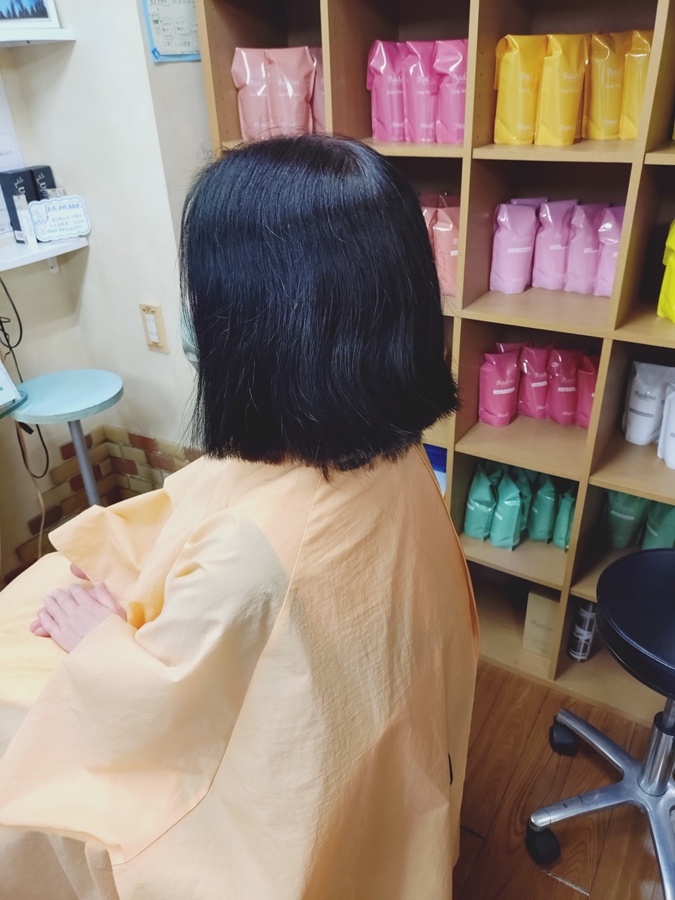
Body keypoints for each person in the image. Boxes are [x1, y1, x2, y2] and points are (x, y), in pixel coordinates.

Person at [0, 135, 478, 899]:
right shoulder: (392, 451)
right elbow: (201, 507)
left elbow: (161, 710)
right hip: (381, 738)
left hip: (264, 818)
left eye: (203, 290)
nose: (191, 309)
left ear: (258, 322)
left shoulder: (256, 554)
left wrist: (99, 641)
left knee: (29, 785)